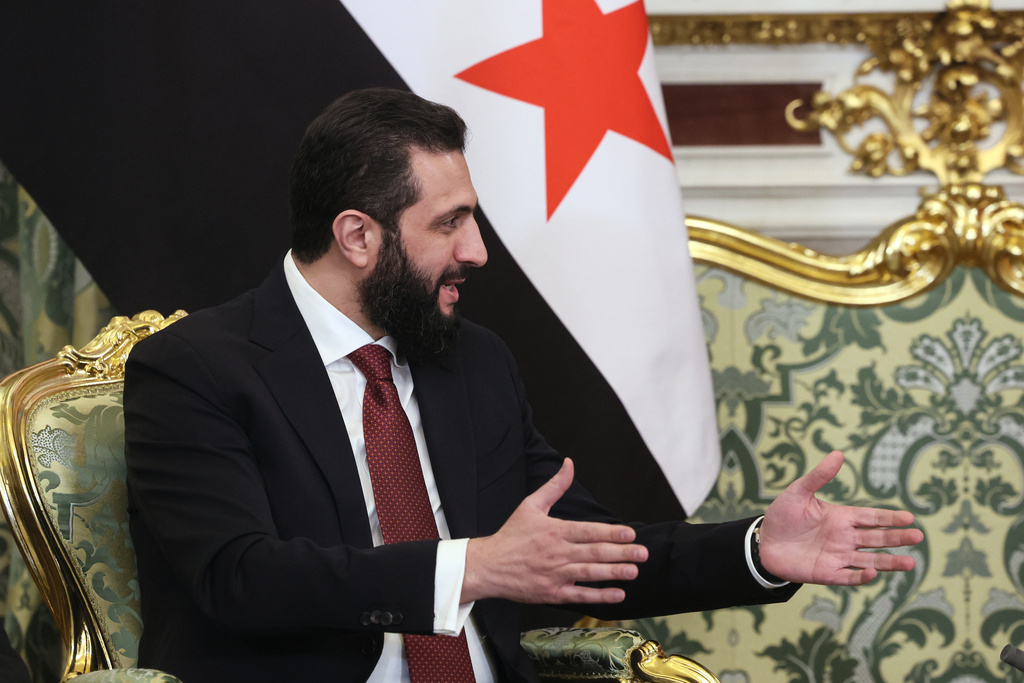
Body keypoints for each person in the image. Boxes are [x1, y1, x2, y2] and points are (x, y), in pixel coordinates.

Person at [123, 88, 923, 683]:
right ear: (357, 235)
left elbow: (587, 552)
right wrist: (473, 568)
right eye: (449, 223)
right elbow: (242, 578)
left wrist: (757, 549)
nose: (477, 249)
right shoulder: (195, 368)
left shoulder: (471, 362)